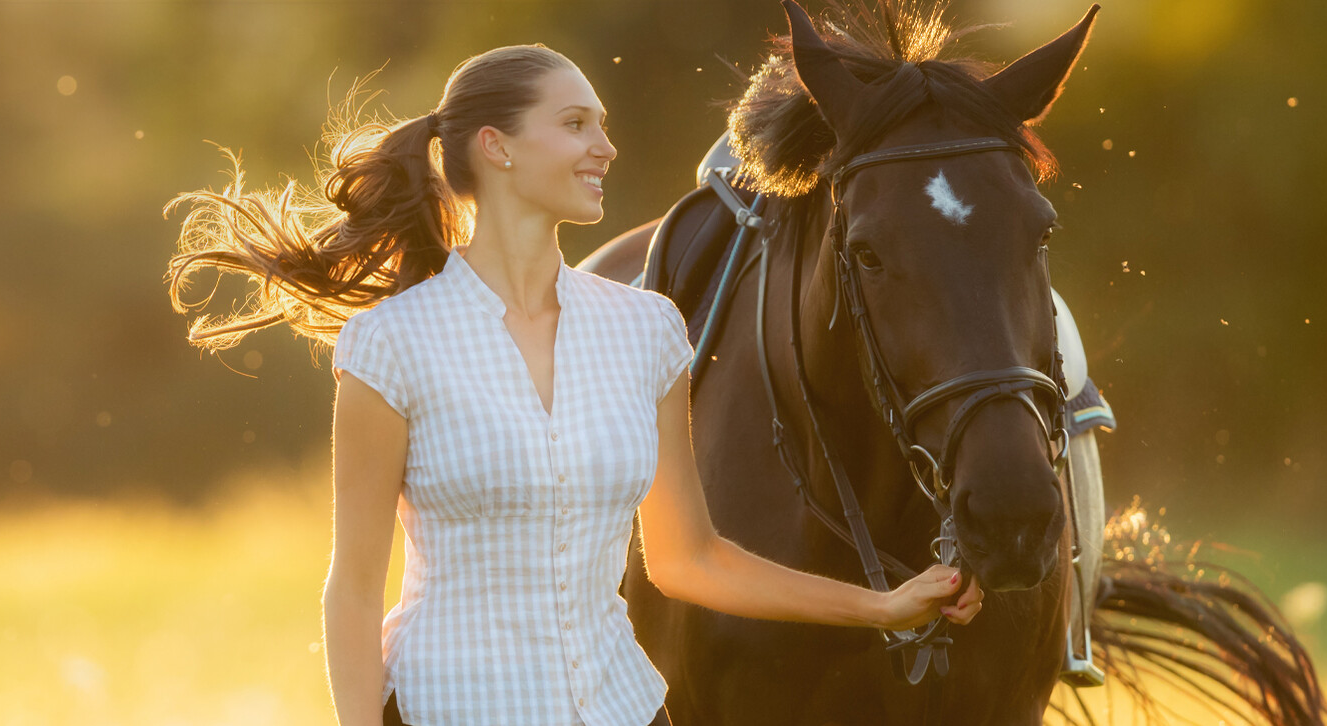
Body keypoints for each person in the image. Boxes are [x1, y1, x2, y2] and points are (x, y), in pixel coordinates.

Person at [165, 44, 984, 726]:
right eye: (574, 124)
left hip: (623, 710)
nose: (605, 146)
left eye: (602, 125)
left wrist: (879, 607)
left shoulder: (647, 330)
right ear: (497, 147)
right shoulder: (390, 343)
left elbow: (688, 558)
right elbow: (352, 587)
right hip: (448, 708)